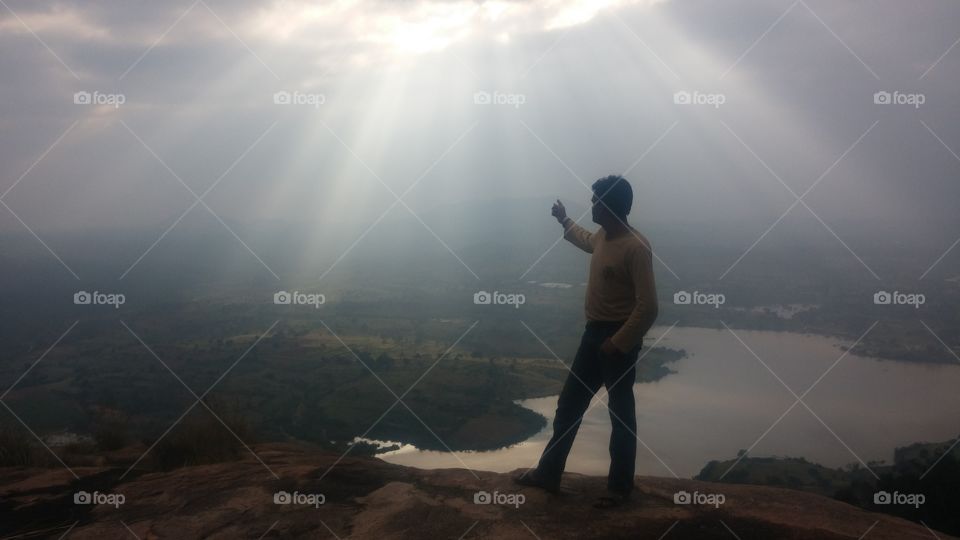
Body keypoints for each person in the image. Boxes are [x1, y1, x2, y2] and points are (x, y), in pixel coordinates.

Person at [514, 175, 658, 509]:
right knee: (569, 405)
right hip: (593, 334)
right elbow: (585, 239)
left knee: (620, 414)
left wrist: (619, 341)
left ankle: (620, 489)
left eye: (595, 200)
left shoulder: (636, 247)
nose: (591, 204)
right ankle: (548, 474)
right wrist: (563, 219)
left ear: (609, 206)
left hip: (616, 341)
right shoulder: (605, 236)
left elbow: (648, 306)